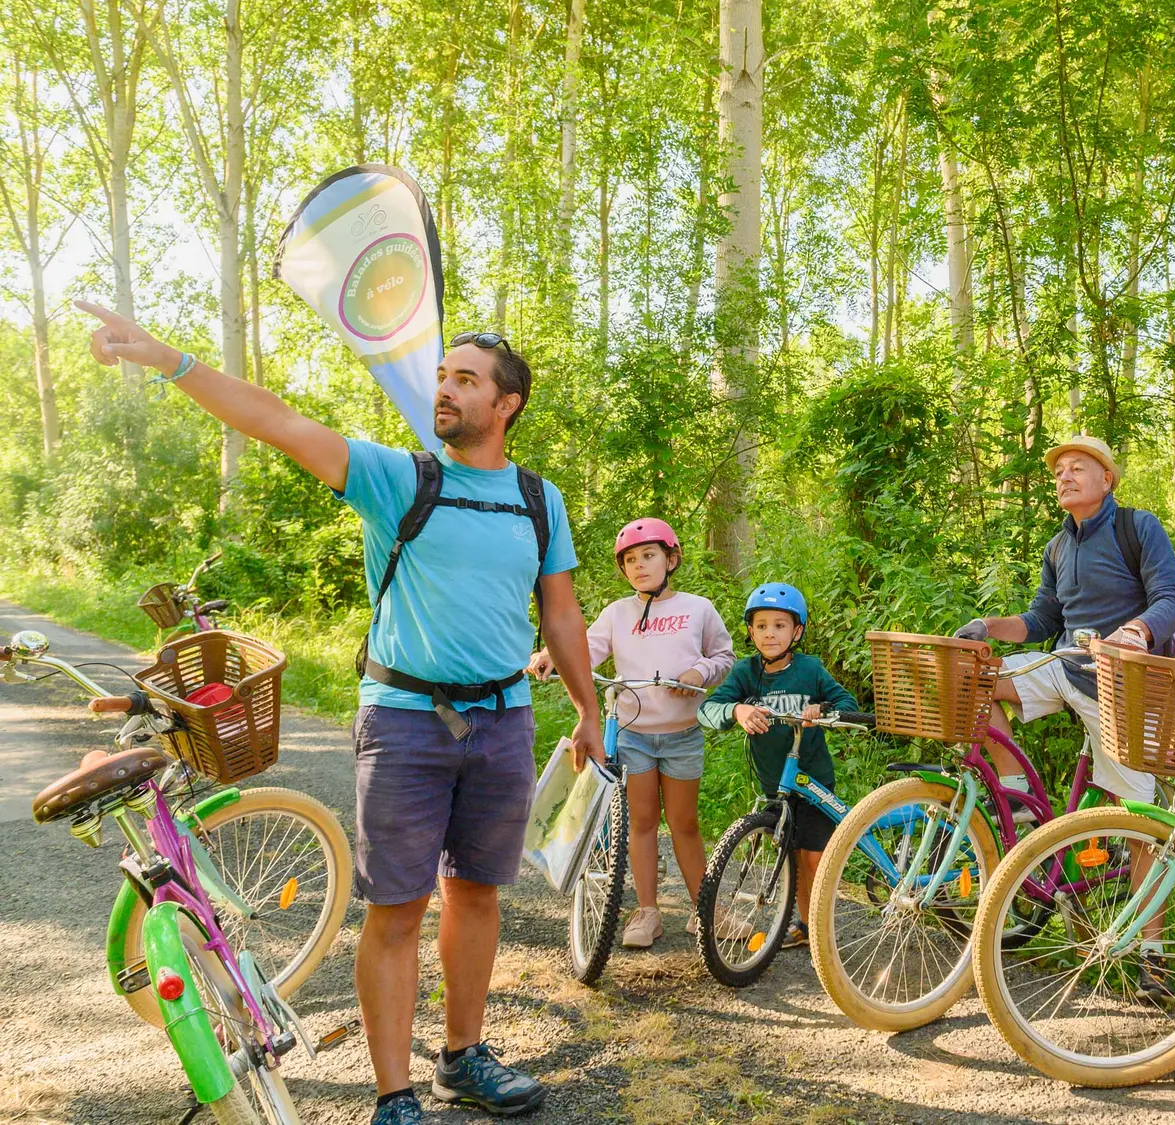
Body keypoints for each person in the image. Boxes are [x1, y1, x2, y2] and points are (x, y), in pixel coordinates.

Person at [74, 304, 604, 1125]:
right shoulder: (401, 478)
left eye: (466, 380)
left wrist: (587, 711)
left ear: (507, 404)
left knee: (478, 895)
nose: (445, 391)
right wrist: (166, 358)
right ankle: (393, 1094)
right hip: (403, 721)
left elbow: (562, 615)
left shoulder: (540, 500)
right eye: (443, 377)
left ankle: (462, 1058)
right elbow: (279, 419)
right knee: (396, 908)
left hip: (502, 722)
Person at [954, 434, 1175, 812]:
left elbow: (1172, 598)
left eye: (1077, 468)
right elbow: (1042, 620)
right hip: (1065, 667)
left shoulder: (1138, 527)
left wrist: (1136, 631)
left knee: (1138, 821)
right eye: (1060, 472)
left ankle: (1146, 865)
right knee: (975, 679)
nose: (1065, 477)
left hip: (1121, 685)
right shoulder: (1057, 546)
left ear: (1107, 480)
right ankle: (1017, 798)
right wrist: (988, 625)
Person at [530, 518, 733, 949]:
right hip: (633, 735)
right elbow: (584, 648)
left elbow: (724, 656)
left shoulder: (698, 608)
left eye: (649, 556)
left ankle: (705, 908)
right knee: (641, 823)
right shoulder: (618, 613)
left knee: (684, 823)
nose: (639, 566)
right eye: (630, 560)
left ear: (671, 559)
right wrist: (551, 652)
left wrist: (700, 670)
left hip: (682, 735)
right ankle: (647, 911)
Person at [697, 582, 860, 949]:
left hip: (813, 782)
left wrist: (824, 710)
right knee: (792, 859)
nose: (770, 633)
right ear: (750, 631)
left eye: (780, 625)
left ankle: (821, 930)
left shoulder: (810, 669)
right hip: (775, 785)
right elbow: (707, 709)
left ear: (797, 631)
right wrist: (737, 710)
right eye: (762, 625)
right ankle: (802, 924)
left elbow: (846, 703)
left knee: (815, 860)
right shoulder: (744, 672)